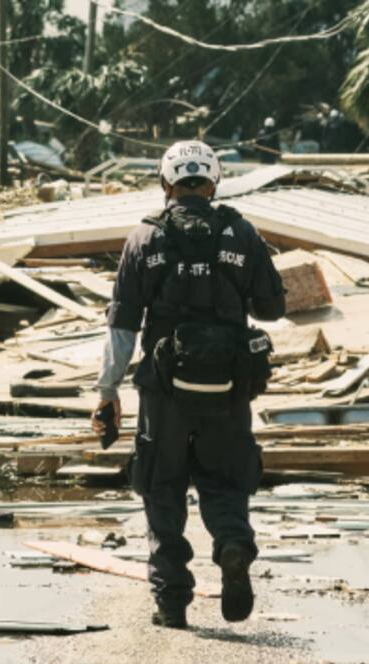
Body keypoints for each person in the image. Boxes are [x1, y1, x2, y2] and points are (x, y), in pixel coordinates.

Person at [92, 140, 286, 629]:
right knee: (225, 481)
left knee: (162, 487)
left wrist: (107, 392)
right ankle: (233, 547)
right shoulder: (242, 233)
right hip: (229, 388)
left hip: (164, 391)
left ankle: (172, 602)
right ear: (214, 182)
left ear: (165, 184)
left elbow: (122, 327)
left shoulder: (143, 238)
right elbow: (272, 309)